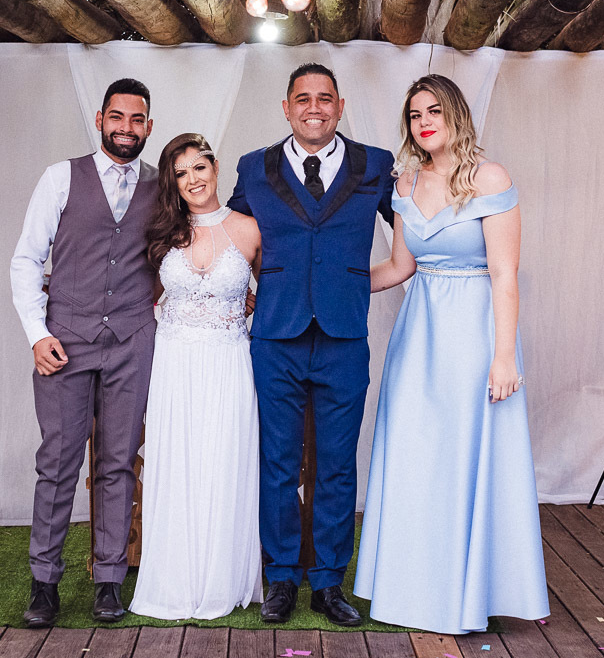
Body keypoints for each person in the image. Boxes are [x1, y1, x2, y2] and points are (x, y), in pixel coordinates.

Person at [353, 74, 548, 634]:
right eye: (414, 114)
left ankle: (464, 595)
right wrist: (327, 286)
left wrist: (504, 357)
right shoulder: (405, 185)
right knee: (417, 460)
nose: (424, 121)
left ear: (456, 113)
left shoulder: (490, 177)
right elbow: (399, 267)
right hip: (418, 338)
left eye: (434, 110)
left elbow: (506, 275)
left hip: (474, 332)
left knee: (463, 457)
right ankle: (412, 590)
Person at [228, 63, 395, 626]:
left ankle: (327, 582)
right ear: (286, 107)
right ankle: (280, 579)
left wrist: (359, 279)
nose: (314, 108)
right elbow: (231, 240)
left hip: (345, 337)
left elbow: (418, 233)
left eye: (325, 98)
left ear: (340, 106)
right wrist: (235, 291)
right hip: (275, 334)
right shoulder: (254, 168)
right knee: (276, 461)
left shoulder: (376, 165)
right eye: (303, 98)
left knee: (336, 465)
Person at [9, 78, 159, 627]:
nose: (126, 128)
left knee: (118, 463)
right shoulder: (60, 178)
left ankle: (109, 581)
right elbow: (26, 259)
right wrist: (36, 332)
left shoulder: (160, 185)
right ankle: (44, 583)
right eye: (117, 117)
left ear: (149, 125)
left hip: (131, 340)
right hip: (64, 342)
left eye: (137, 119)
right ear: (100, 120)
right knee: (58, 461)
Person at [128, 133, 264, 620]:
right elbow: (139, 295)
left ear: (215, 166)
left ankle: (222, 576)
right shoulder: (163, 231)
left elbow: (277, 295)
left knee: (223, 459)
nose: (192, 180)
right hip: (176, 363)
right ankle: (175, 576)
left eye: (198, 168)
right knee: (180, 459)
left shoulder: (250, 229)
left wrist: (251, 303)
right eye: (181, 174)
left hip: (229, 362)